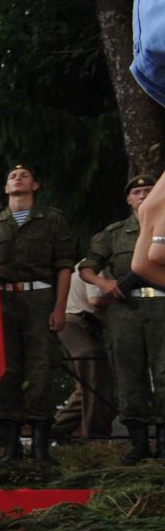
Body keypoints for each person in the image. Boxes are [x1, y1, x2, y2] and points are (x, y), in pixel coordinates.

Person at [0, 164, 81, 463]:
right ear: (5, 188)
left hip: (41, 298)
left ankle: (41, 444)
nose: (17, 178)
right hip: (2, 302)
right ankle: (12, 444)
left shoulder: (52, 220)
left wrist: (59, 307)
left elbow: (64, 266)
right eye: (12, 176)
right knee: (7, 371)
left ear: (36, 185)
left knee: (42, 369)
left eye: (25, 175)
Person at [78, 174, 164, 463]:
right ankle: (139, 443)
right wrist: (104, 285)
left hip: (163, 307)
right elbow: (88, 268)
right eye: (137, 191)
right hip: (126, 311)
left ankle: (163, 442)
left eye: (148, 190)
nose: (142, 195)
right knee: (129, 375)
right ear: (128, 199)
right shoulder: (113, 233)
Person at [54, 268, 118, 442]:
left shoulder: (84, 266)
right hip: (80, 323)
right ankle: (96, 436)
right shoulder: (98, 268)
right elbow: (96, 299)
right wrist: (124, 297)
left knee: (87, 386)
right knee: (96, 384)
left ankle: (54, 428)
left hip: (74, 323)